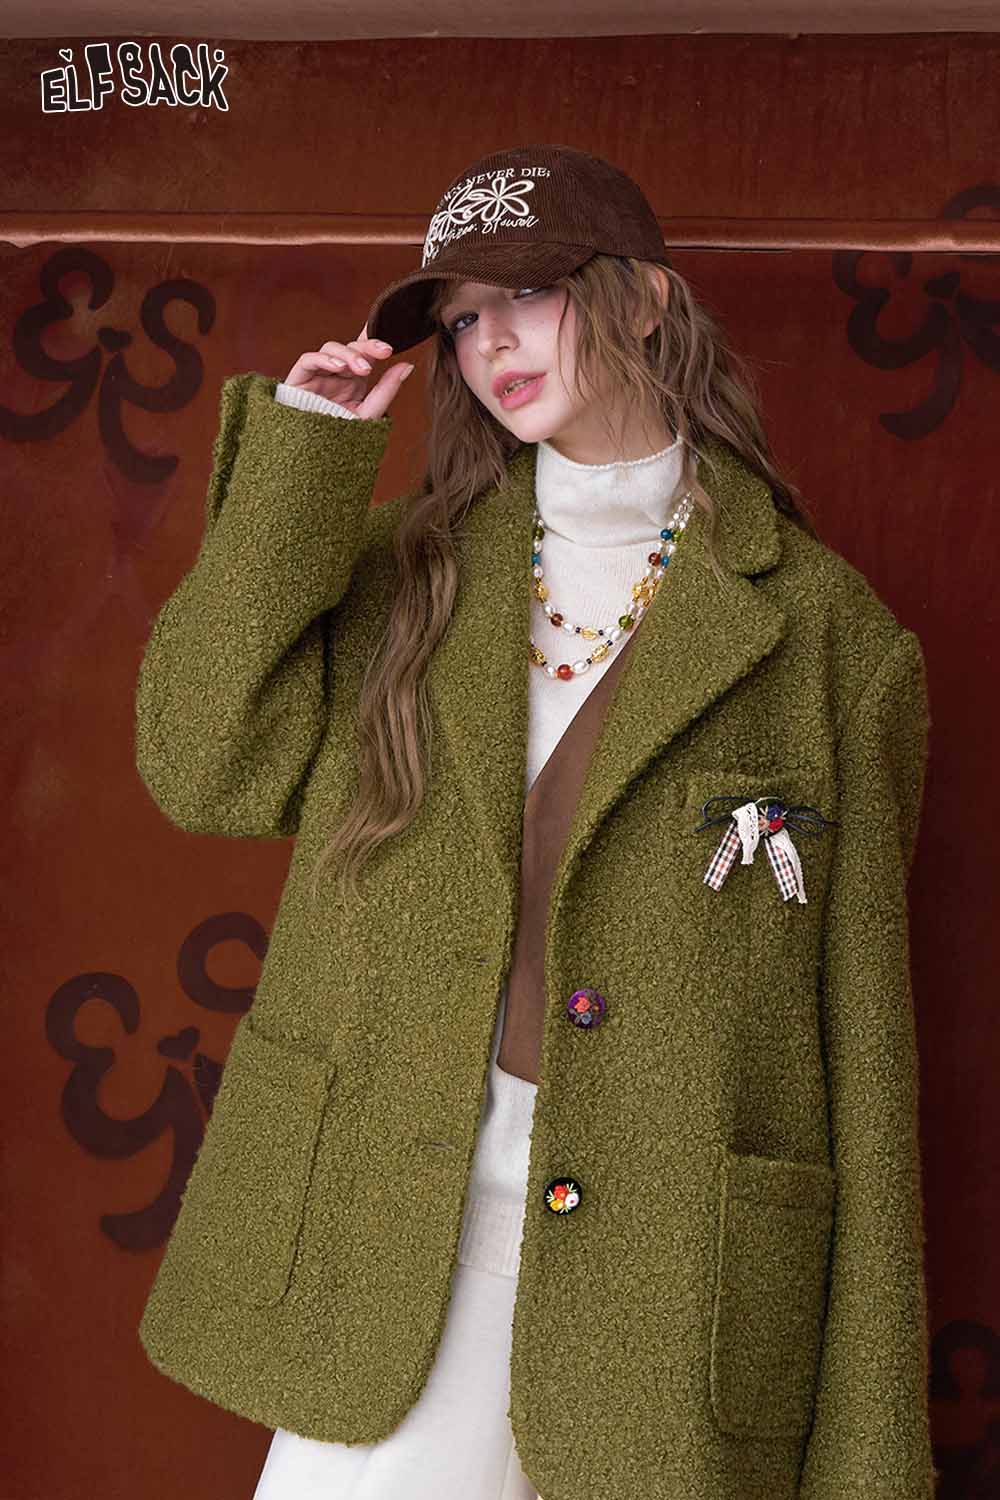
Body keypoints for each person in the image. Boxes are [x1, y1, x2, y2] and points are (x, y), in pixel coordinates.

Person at [134, 145, 938, 1500]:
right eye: (460, 320)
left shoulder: (828, 643)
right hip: (382, 1244)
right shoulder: (405, 577)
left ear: (645, 300)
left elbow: (861, 1064)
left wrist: (870, 1463)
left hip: (673, 1299)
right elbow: (202, 765)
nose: (488, 342)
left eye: (525, 295)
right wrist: (307, 462)